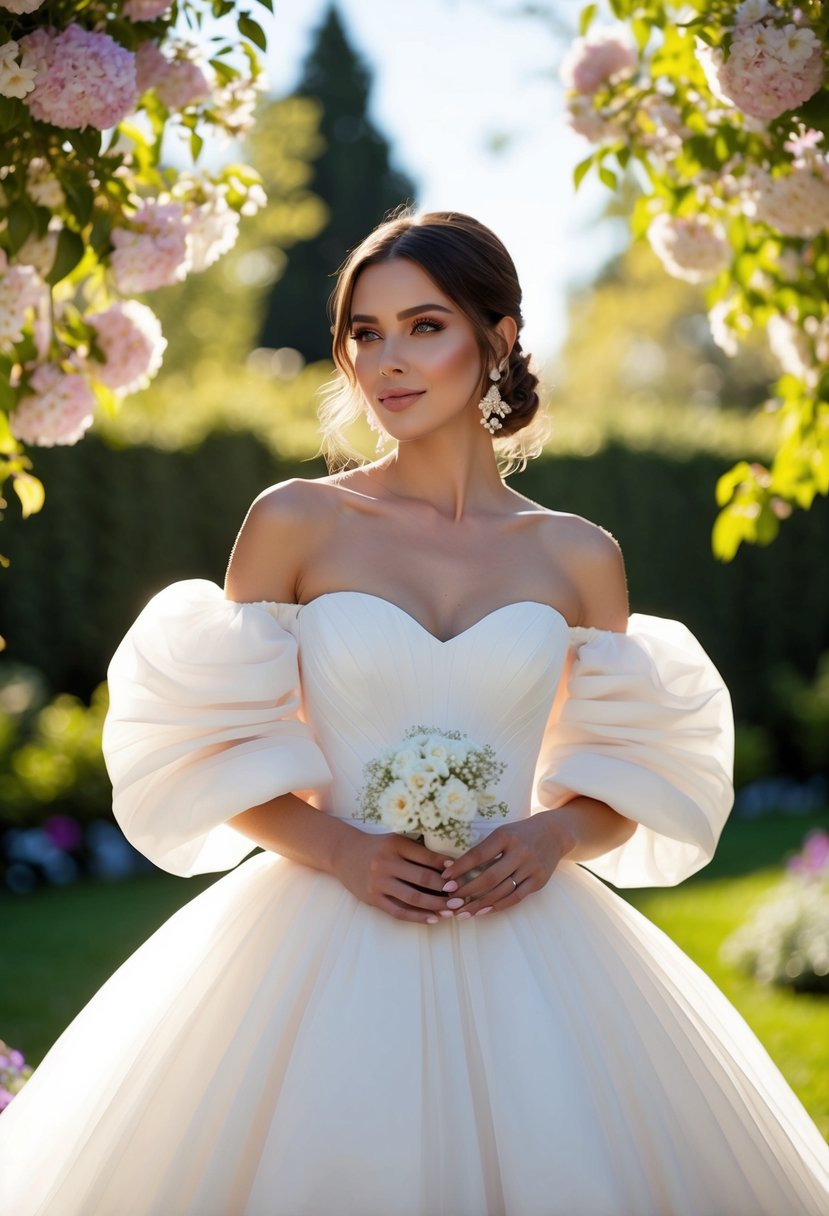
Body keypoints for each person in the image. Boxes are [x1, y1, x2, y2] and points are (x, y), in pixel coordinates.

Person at [0, 208, 827, 1216]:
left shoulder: (578, 554)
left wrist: (559, 830)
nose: (386, 361)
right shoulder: (295, 520)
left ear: (499, 339)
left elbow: (627, 764)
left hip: (532, 932)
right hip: (321, 925)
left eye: (423, 326)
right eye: (363, 332)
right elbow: (213, 750)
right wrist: (342, 850)